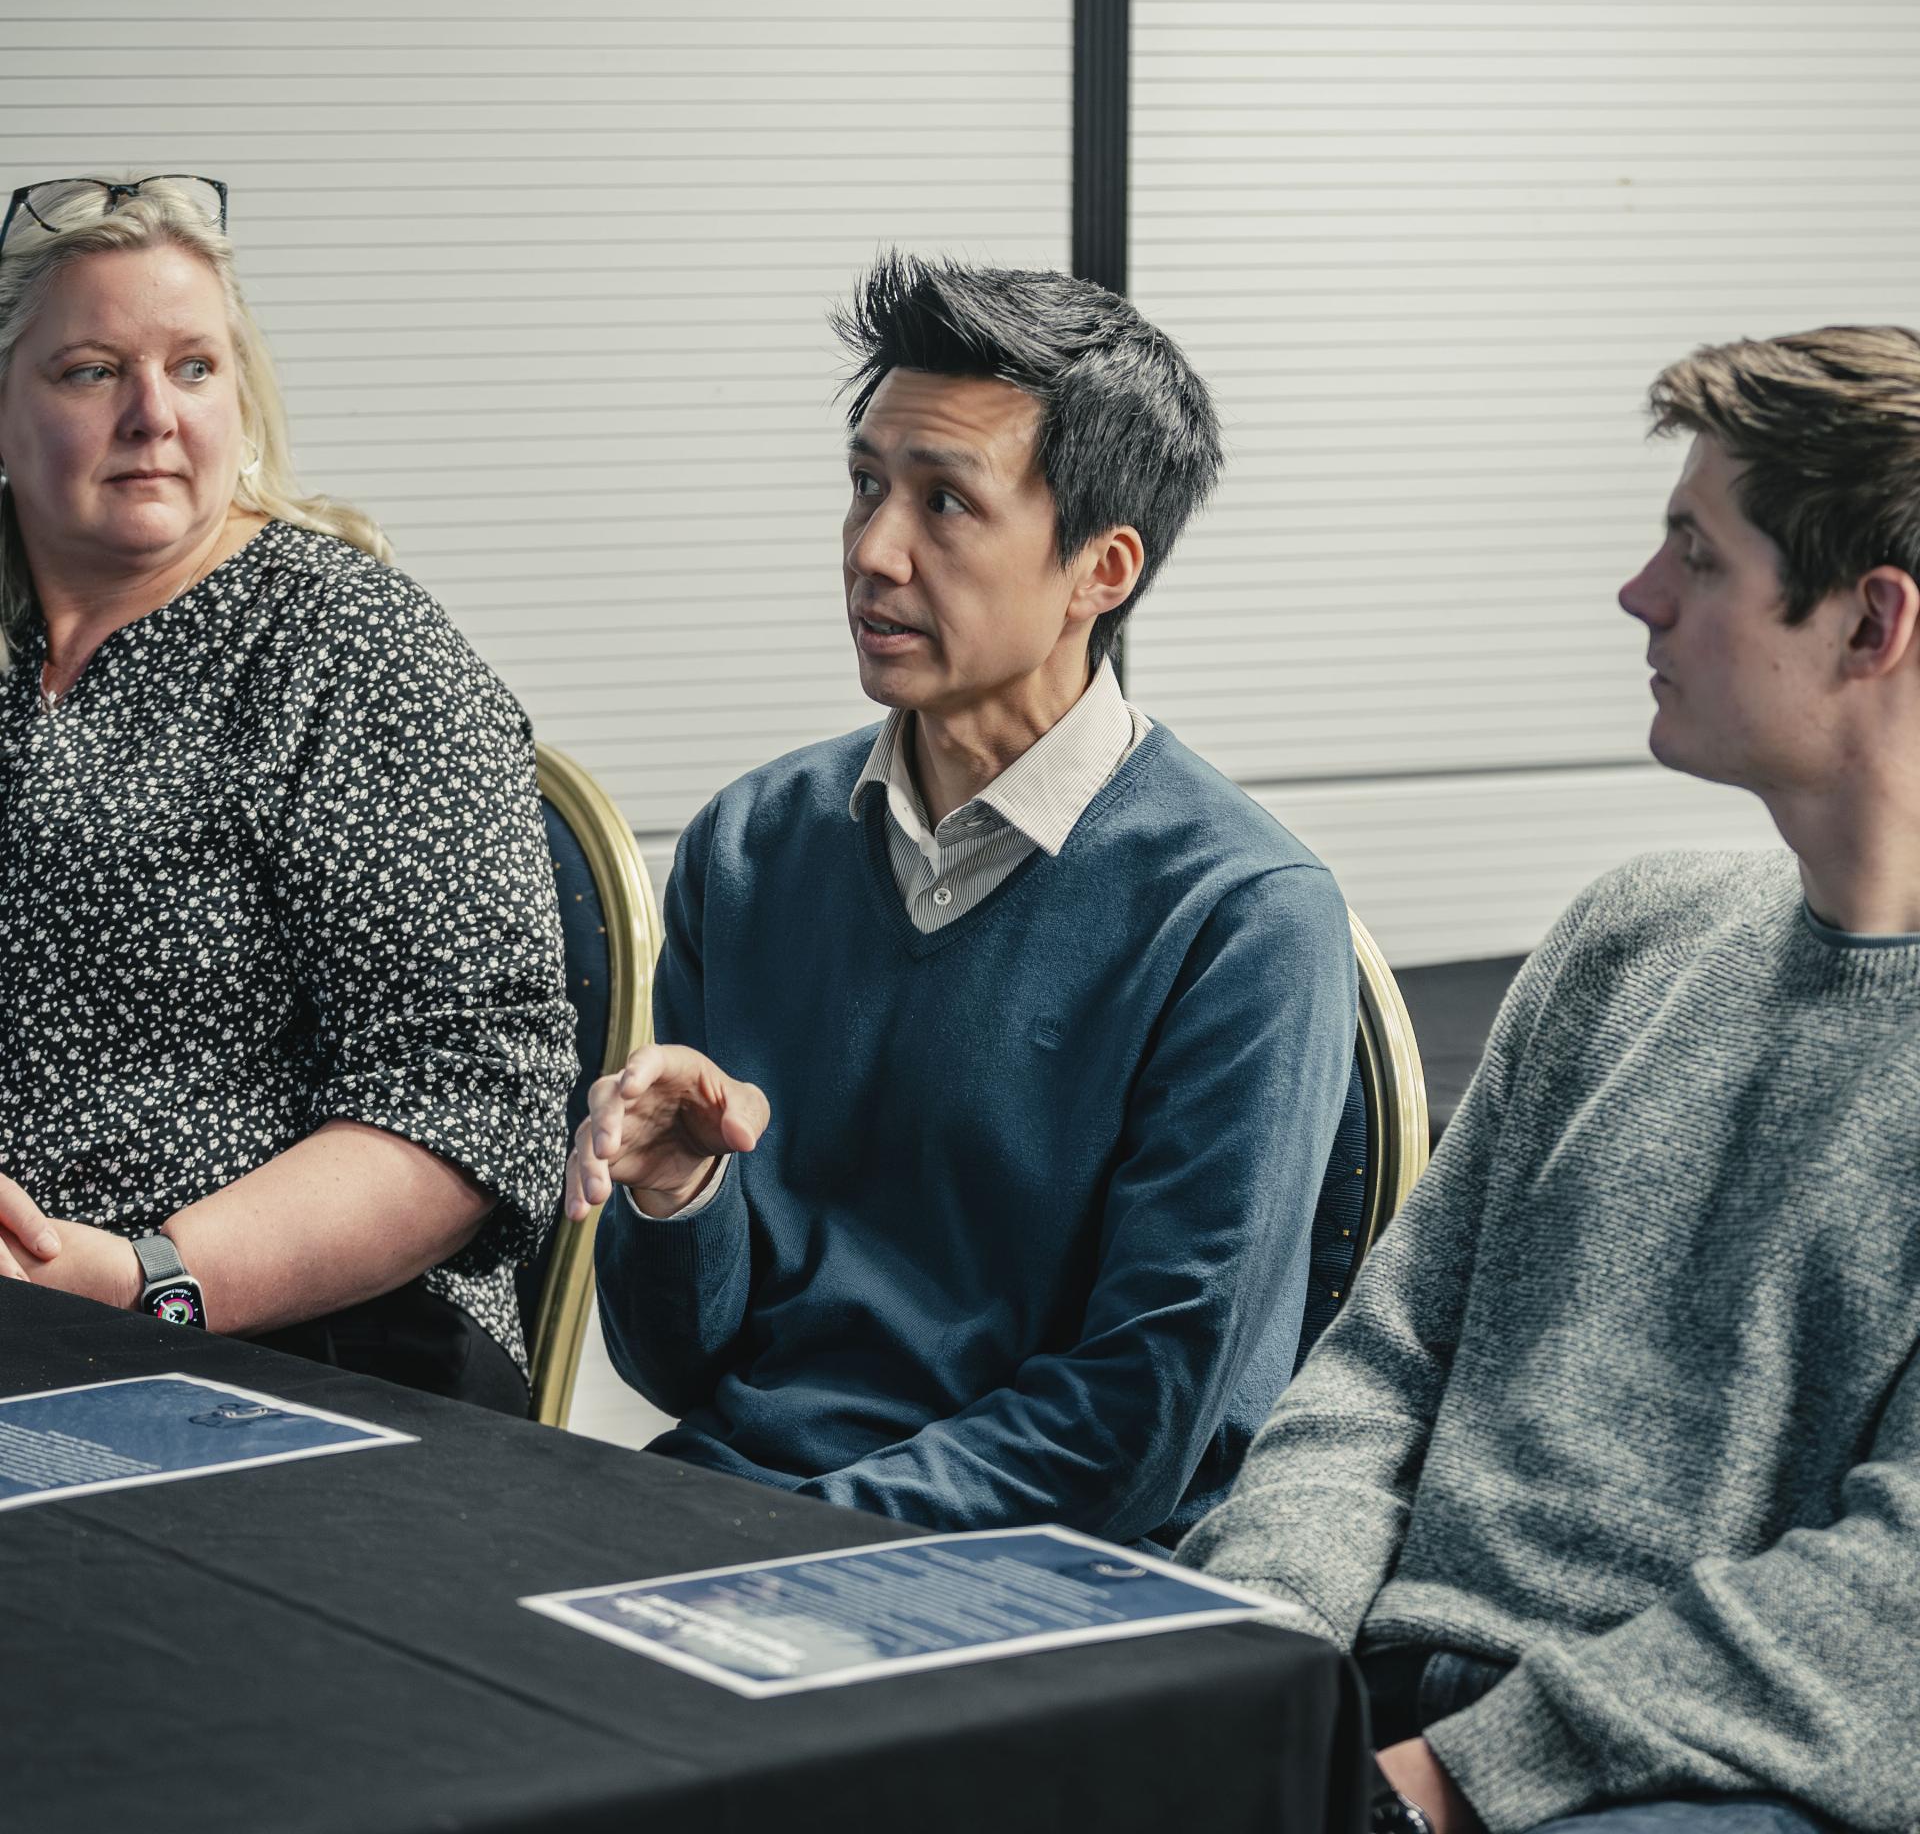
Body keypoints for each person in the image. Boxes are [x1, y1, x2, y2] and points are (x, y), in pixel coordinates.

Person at [1179, 326, 1920, 1833]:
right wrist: (1259, 1663)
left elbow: (1889, 1609)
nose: (1640, 594)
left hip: (1688, 1773)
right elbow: (1381, 1365)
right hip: (1372, 1697)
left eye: (1697, 557)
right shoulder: (1628, 933)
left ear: (1870, 624)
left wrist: (1453, 1785)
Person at [568, 254, 1360, 1547]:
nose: (874, 551)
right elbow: (684, 1369)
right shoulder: (750, 845)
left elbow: (1136, 1430)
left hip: (1032, 1578)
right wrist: (678, 1205)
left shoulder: (1245, 920)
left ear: (1102, 570)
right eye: (867, 487)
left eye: (946, 504)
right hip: (738, 1517)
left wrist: (790, 1536)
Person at [0, 174, 574, 1410]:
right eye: (91, 370)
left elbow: (469, 1100)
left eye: (195, 367)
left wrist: (146, 1278)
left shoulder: (356, 656)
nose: (154, 414)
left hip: (306, 1344)